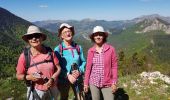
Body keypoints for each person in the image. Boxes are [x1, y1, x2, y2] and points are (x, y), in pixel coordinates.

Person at [16, 25, 61, 100]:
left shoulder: (50, 52)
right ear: (28, 40)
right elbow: (18, 75)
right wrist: (29, 77)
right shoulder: (24, 56)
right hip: (36, 90)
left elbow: (58, 68)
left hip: (53, 88)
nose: (34, 38)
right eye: (30, 37)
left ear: (41, 38)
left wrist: (52, 79)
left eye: (36, 35)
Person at [84, 26, 118, 100]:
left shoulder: (111, 49)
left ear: (104, 36)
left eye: (100, 34)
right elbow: (88, 69)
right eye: (96, 35)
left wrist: (114, 82)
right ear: (93, 37)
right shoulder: (91, 51)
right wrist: (86, 83)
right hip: (94, 82)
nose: (98, 37)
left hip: (107, 82)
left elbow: (114, 67)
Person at [54, 23, 86, 100]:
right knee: (64, 97)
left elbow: (84, 62)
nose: (68, 33)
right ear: (61, 36)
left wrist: (80, 71)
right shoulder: (58, 50)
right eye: (65, 32)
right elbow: (57, 67)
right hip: (63, 80)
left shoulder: (78, 48)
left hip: (77, 77)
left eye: (69, 31)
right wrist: (68, 75)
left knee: (80, 97)